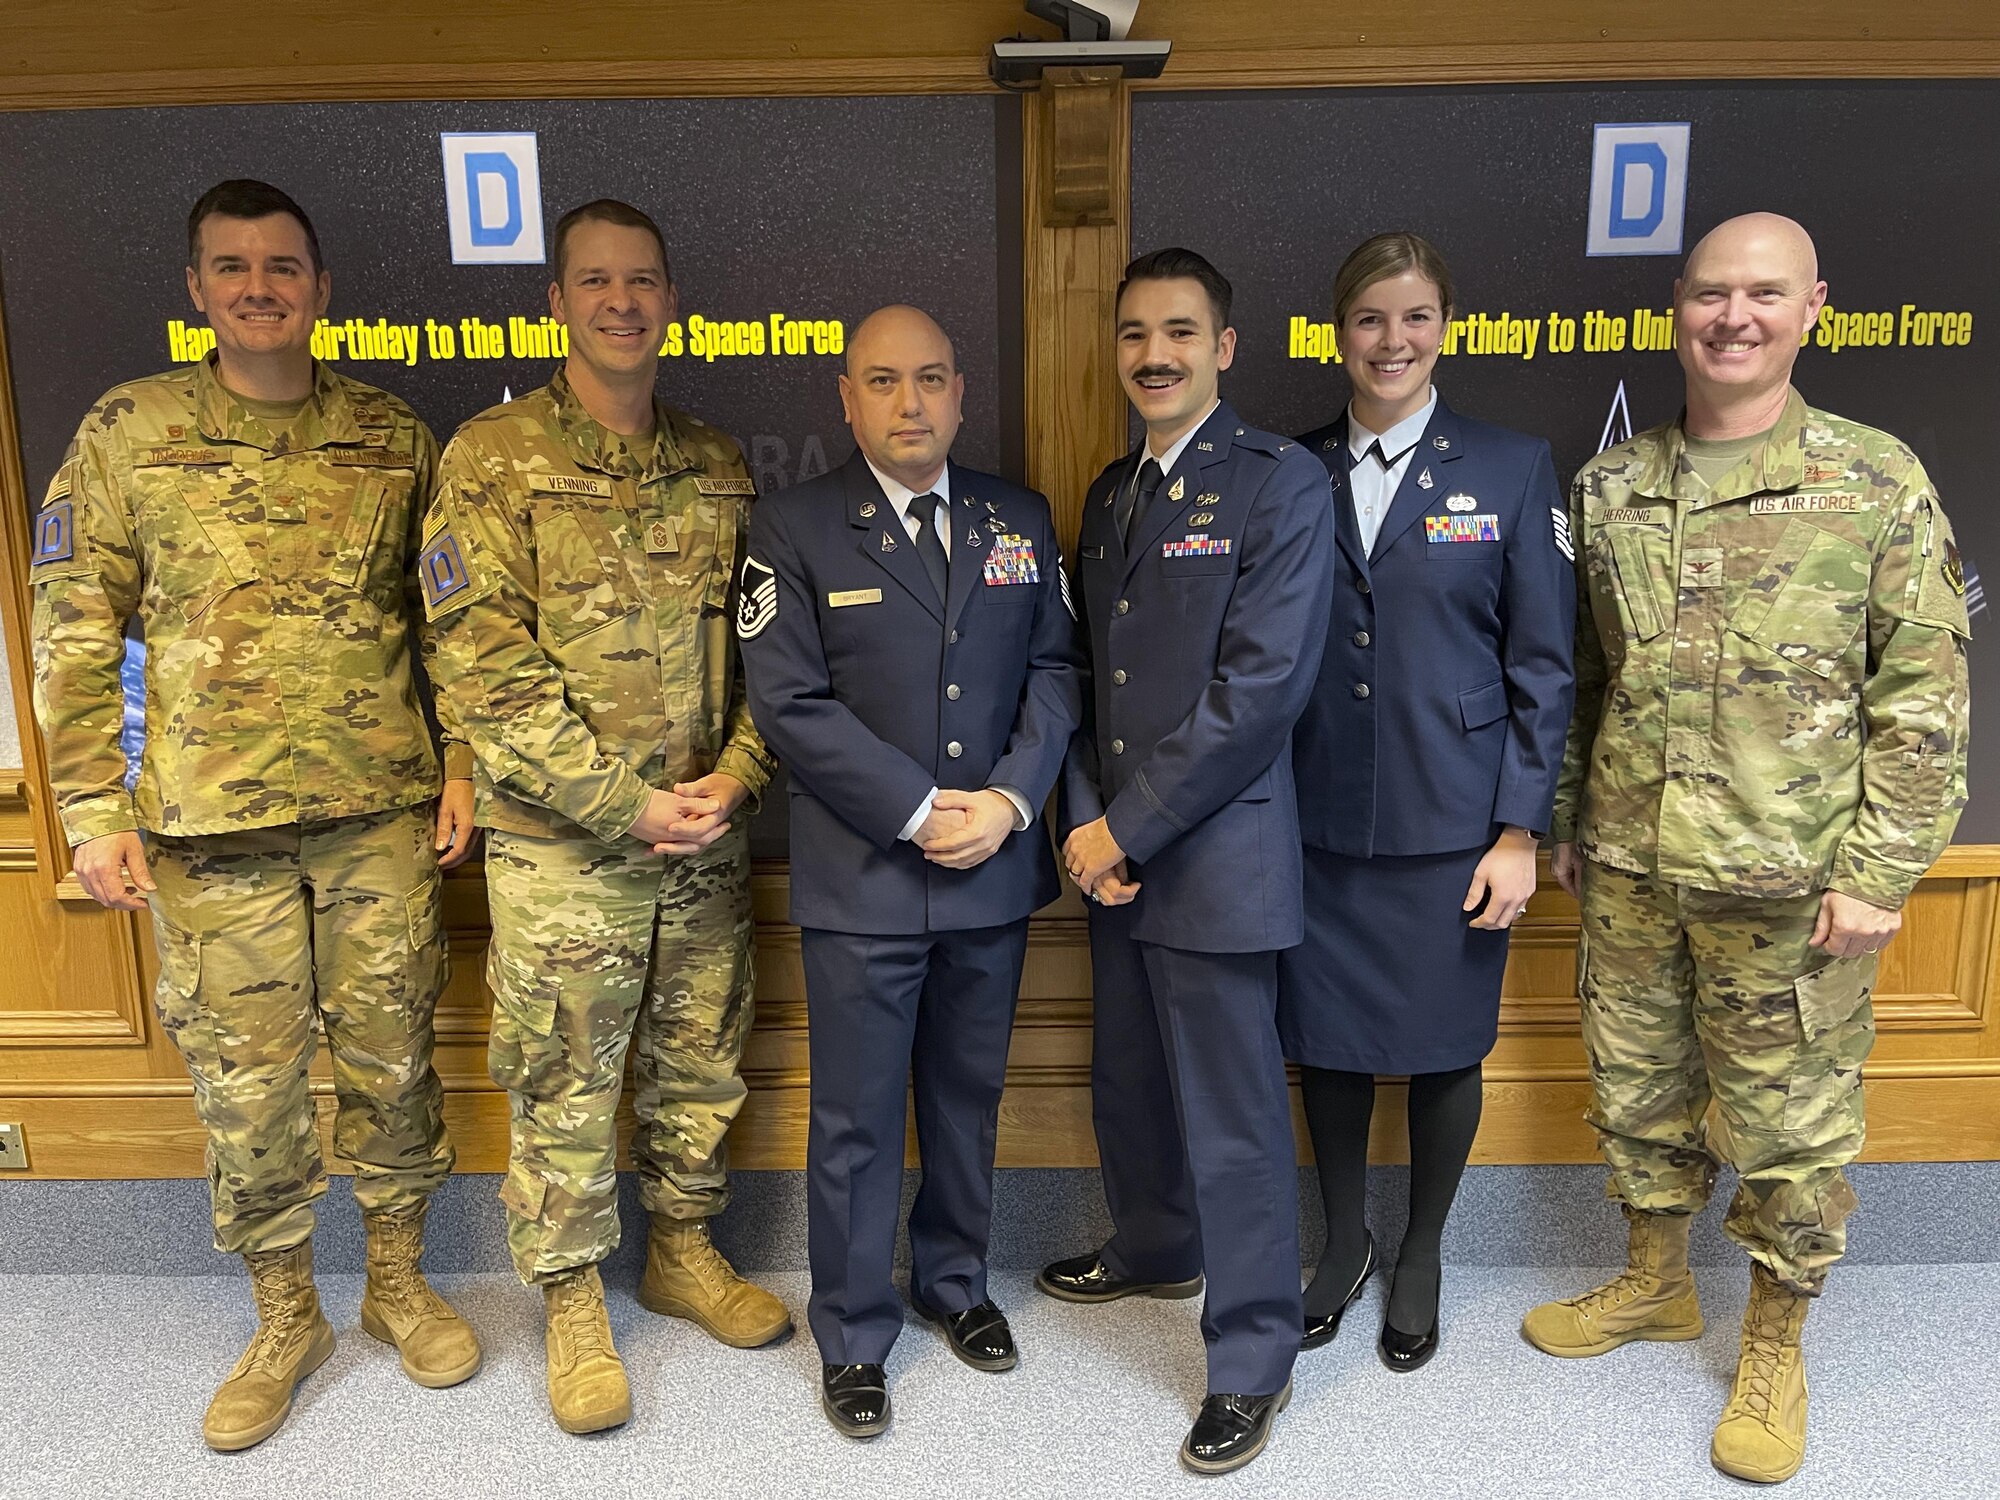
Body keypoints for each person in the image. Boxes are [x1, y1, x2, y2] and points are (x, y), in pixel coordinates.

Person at [27, 179, 480, 1452]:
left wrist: (460, 768)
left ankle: (395, 1286)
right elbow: (70, 620)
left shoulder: (394, 435)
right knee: (247, 1084)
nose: (259, 286)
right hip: (206, 829)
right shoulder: (129, 431)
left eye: (282, 267)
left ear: (322, 289)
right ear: (196, 290)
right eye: (232, 268)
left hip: (380, 813)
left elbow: (448, 619)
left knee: (394, 1060)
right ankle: (288, 1315)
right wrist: (85, 804)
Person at [1522, 213, 1970, 1485]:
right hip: (1627, 869)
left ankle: (1773, 1339)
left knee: (1789, 1127)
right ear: (1675, 303)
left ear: (1812, 305)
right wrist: (1562, 816)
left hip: (1789, 884)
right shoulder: (1612, 487)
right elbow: (1583, 678)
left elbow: (1924, 698)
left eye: (1762, 295)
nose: (1733, 317)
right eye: (1711, 293)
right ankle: (1655, 1285)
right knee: (1637, 1090)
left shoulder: (1868, 479)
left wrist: (1880, 873)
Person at [420, 199, 786, 1436]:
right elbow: (482, 665)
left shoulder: (720, 464)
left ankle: (680, 1252)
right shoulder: (491, 459)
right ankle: (571, 1297)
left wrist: (734, 777)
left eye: (641, 279)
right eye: (594, 281)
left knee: (698, 1060)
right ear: (556, 303)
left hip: (705, 837)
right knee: (565, 1079)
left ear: (668, 297)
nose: (620, 301)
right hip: (569, 849)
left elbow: (771, 662)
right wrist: (623, 804)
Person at [737, 304, 1082, 1439]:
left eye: (930, 379)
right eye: (882, 382)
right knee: (853, 1118)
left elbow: (1055, 672)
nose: (908, 404)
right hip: (866, 881)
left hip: (989, 869)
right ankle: (851, 1330)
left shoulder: (1017, 517)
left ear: (961, 391)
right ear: (844, 398)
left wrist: (1009, 800)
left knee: (965, 1098)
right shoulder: (790, 526)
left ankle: (954, 1284)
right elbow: (787, 702)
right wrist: (920, 805)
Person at [1040, 248, 1334, 1476]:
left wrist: (1124, 827)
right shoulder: (1110, 495)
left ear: (1225, 345)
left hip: (1211, 855)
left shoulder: (1277, 485)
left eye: (1178, 331)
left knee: (1229, 1123)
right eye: (1132, 335)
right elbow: (1077, 675)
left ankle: (1252, 1358)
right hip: (1115, 856)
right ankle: (1156, 1245)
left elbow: (1257, 694)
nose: (1152, 354)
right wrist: (1077, 822)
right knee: (1130, 1085)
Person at [1283, 232, 1574, 1371]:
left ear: (1444, 326)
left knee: (1446, 1042)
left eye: (1411, 318)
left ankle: (1419, 1252)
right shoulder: (1288, 468)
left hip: (1456, 821)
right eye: (1367, 319)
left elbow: (1542, 664)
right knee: (1330, 1042)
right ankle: (1341, 1243)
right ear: (1335, 334)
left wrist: (1517, 830)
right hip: (1314, 814)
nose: (1389, 341)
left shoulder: (1508, 466)